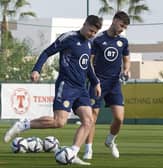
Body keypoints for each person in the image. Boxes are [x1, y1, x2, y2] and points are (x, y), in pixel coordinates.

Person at [4, 15, 102, 165]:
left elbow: (87, 65)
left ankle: (72, 153)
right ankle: (23, 124)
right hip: (67, 85)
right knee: (59, 122)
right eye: (91, 31)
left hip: (81, 88)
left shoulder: (89, 44)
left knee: (88, 121)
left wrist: (95, 82)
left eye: (95, 32)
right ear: (84, 24)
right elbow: (47, 52)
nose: (92, 34)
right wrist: (37, 69)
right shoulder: (68, 37)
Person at [83, 11, 131, 160]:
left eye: (125, 27)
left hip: (114, 84)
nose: (122, 29)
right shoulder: (98, 40)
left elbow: (126, 60)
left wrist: (127, 70)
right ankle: (88, 150)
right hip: (98, 83)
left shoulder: (123, 42)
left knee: (119, 118)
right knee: (92, 117)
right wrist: (93, 79)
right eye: (122, 25)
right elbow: (90, 61)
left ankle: (110, 141)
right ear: (115, 20)